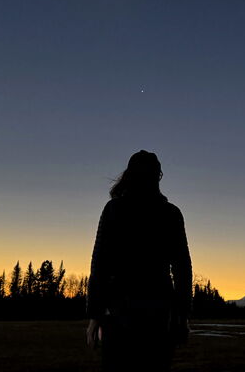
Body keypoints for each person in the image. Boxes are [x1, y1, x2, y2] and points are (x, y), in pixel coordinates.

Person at [86, 150, 192, 372]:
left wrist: (96, 314)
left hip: (120, 311)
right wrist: (181, 315)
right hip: (157, 312)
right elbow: (182, 269)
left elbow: (100, 264)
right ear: (158, 176)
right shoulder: (171, 214)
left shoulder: (114, 210)